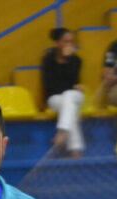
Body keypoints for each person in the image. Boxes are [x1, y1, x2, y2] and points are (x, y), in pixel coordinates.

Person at [42, 28, 84, 156]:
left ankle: (62, 133)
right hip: (55, 98)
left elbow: (73, 80)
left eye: (71, 42)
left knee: (69, 96)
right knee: (70, 107)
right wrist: (69, 87)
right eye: (65, 41)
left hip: (75, 96)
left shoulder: (76, 60)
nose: (69, 45)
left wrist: (68, 61)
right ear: (57, 43)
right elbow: (49, 85)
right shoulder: (48, 60)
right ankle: (75, 150)